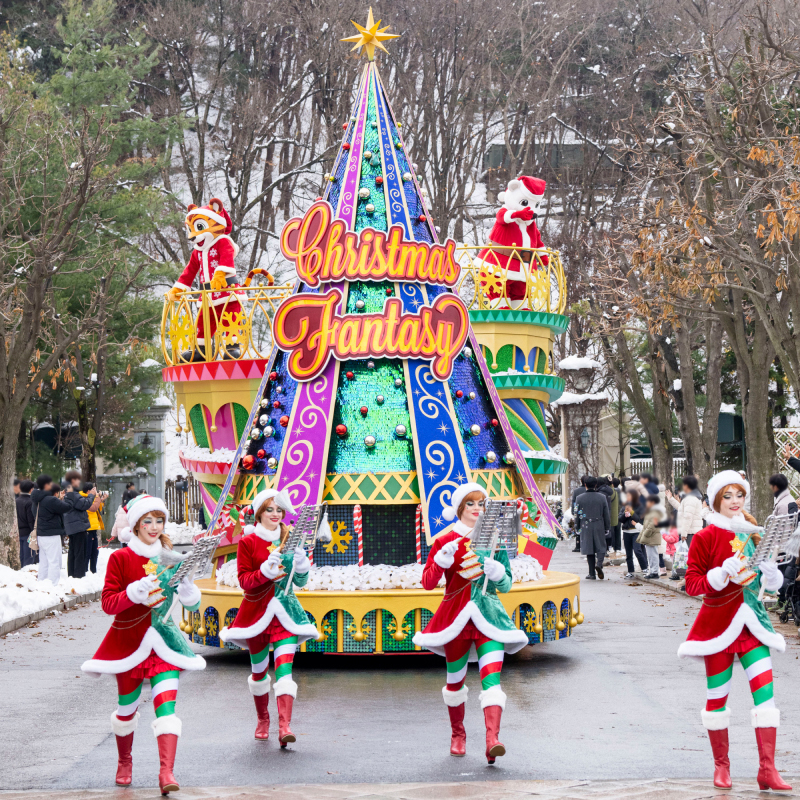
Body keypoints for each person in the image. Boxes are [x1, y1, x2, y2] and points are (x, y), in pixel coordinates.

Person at [81, 494, 205, 793]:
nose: (153, 527)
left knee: (167, 711)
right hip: (130, 646)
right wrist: (134, 592)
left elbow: (188, 601)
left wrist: (188, 588)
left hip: (165, 643)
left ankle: (167, 774)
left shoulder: (172, 558)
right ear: (135, 525)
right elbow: (108, 604)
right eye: (147, 521)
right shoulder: (121, 558)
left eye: (159, 521)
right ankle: (125, 761)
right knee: (127, 711)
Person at [678, 470, 790, 792]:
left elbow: (762, 586)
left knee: (766, 698)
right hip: (718, 630)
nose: (734, 501)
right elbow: (692, 584)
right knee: (717, 700)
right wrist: (717, 574)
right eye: (727, 496)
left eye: (739, 495)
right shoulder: (705, 536)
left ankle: (767, 770)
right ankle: (721, 767)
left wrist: (771, 576)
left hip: (754, 626)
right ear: (716, 500)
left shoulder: (755, 534)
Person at [413, 483, 527, 763]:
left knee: (493, 682)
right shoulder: (445, 540)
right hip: (455, 619)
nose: (477, 509)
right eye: (470, 504)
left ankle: (492, 740)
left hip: (489, 617)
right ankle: (458, 734)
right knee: (455, 682)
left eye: (481, 504)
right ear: (460, 509)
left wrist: (498, 572)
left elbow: (507, 584)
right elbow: (428, 583)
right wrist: (441, 561)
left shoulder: (494, 539)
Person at [219, 489, 319, 746]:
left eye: (278, 510)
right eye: (269, 509)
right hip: (256, 615)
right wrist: (264, 571)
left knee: (285, 671)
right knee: (259, 672)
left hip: (285, 615)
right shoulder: (248, 543)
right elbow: (244, 582)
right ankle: (263, 719)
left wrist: (301, 565)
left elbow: (299, 581)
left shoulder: (290, 538)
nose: (275, 514)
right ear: (259, 513)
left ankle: (284, 726)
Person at [63, 470, 100, 579]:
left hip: (72, 527)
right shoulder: (74, 495)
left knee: (73, 551)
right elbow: (85, 504)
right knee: (80, 553)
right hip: (78, 527)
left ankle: (72, 574)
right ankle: (78, 576)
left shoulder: (68, 494)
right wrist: (92, 495)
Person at [34, 481, 71, 584]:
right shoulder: (51, 500)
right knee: (54, 562)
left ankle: (42, 582)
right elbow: (66, 507)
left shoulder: (38, 500)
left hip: (41, 535)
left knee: (44, 562)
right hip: (51, 535)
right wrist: (68, 497)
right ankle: (53, 584)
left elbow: (52, 509)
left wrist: (59, 500)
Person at [574, 476, 610, 580]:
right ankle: (599, 563)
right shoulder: (602, 497)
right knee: (601, 546)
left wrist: (577, 526)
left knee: (589, 548)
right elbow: (606, 514)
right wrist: (607, 526)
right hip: (599, 523)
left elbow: (577, 514)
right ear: (595, 485)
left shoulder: (579, 498)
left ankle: (591, 573)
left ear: (585, 484)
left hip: (585, 524)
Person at [666, 476, 706, 549]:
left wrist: (684, 533)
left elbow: (688, 517)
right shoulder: (692, 497)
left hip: (690, 533)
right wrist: (671, 499)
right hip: (691, 532)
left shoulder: (690, 498)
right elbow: (682, 509)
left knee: (690, 557)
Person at [621, 488, 648, 578]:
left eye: (629, 495)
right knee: (628, 553)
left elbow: (639, 519)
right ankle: (630, 571)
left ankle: (644, 568)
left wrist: (632, 512)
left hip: (636, 531)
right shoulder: (624, 506)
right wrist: (625, 514)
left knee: (637, 550)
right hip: (626, 532)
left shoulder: (640, 506)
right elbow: (620, 519)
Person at [637, 495, 666, 579]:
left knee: (653, 555)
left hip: (652, 536)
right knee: (651, 555)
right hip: (650, 536)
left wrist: (645, 534)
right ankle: (653, 571)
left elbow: (652, 525)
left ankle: (654, 572)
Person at [82, 482, 105, 574]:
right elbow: (92, 508)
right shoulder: (84, 498)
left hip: (93, 528)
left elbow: (99, 510)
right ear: (89, 491)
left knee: (95, 552)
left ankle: (93, 570)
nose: (96, 491)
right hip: (88, 528)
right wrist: (98, 497)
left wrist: (101, 500)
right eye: (94, 489)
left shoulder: (92, 498)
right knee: (88, 552)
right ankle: (85, 571)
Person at [15, 479, 36, 567]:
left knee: (21, 556)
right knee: (28, 557)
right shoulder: (30, 502)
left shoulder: (16, 501)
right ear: (31, 489)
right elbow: (30, 520)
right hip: (28, 533)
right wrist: (34, 532)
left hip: (17, 532)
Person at [569, 476, 589, 552]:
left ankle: (578, 546)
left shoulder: (576, 491)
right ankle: (587, 544)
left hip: (579, 511)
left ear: (581, 481)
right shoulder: (592, 491)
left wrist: (573, 511)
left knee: (578, 527)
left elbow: (574, 502)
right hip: (588, 512)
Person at [610, 477, 623, 555]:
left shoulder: (612, 491)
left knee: (612, 531)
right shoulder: (621, 492)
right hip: (619, 513)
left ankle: (612, 545)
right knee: (618, 530)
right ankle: (618, 547)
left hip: (613, 513)